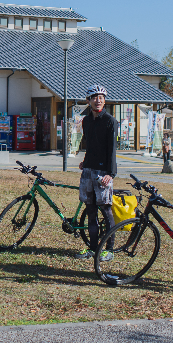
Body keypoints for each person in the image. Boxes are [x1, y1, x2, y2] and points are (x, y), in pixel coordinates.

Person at [75, 84, 118, 261]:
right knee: (90, 210)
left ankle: (109, 249)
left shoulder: (110, 121)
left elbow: (112, 150)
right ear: (88, 101)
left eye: (101, 97)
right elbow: (91, 145)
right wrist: (85, 162)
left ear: (104, 100)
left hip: (103, 172)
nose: (97, 100)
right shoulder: (85, 121)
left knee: (106, 210)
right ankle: (93, 248)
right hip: (88, 170)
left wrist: (111, 173)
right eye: (94, 97)